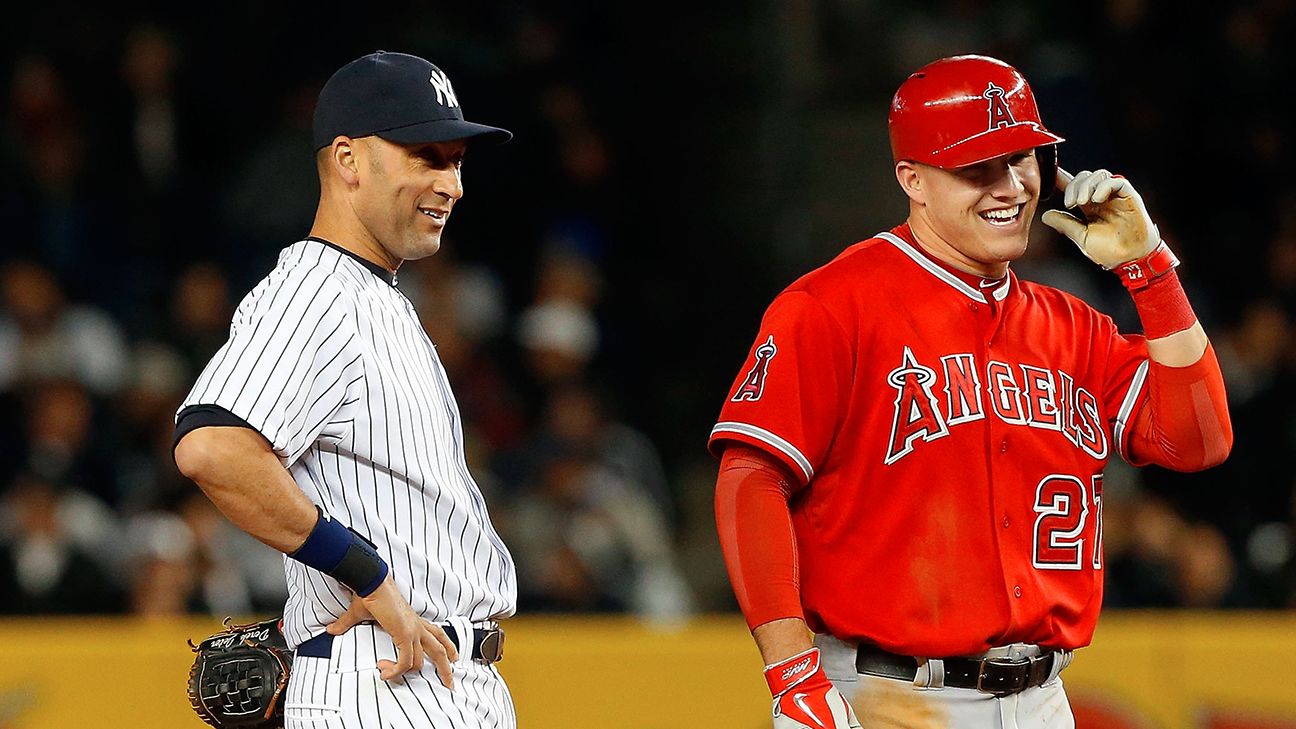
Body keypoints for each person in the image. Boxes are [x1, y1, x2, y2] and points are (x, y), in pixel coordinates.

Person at [708, 54, 1233, 728]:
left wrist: (1151, 270)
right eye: (975, 167)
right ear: (913, 179)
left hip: (1043, 698)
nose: (1009, 186)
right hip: (888, 695)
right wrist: (791, 673)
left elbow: (1201, 440)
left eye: (1022, 159)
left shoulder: (1076, 327)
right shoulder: (832, 305)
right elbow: (750, 477)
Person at [172, 50, 518, 728]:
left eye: (456, 161)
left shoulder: (377, 296)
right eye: (426, 156)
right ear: (348, 160)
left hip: (428, 673)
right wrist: (365, 572)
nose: (452, 184)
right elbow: (213, 447)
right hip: (389, 679)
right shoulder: (317, 293)